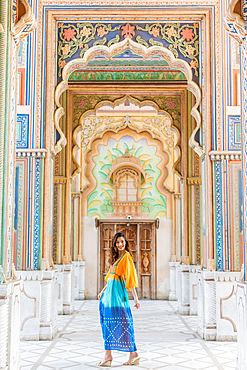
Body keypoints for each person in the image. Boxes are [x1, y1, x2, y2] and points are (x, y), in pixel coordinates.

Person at [98, 232, 141, 367]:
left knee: (124, 324)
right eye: (117, 242)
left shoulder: (127, 257)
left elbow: (130, 279)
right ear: (114, 244)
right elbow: (110, 278)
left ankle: (131, 354)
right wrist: (102, 291)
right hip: (109, 297)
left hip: (117, 297)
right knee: (108, 324)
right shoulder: (116, 259)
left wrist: (136, 299)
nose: (120, 244)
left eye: (122, 242)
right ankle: (109, 355)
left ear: (126, 243)